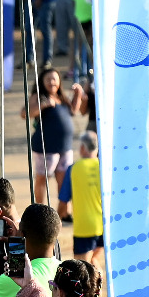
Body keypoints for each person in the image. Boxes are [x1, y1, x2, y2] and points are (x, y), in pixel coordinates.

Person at [25, 67, 77, 213]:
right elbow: (25, 113)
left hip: (65, 147)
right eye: (48, 79)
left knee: (64, 180)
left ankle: (63, 213)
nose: (52, 82)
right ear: (42, 82)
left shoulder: (62, 97)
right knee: (42, 179)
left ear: (59, 81)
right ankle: (39, 212)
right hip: (45, 147)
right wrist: (43, 105)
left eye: (54, 79)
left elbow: (73, 111)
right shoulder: (39, 96)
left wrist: (77, 95)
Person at [60, 132, 103, 266]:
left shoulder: (73, 169)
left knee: (81, 270)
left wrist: (60, 217)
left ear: (83, 148)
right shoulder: (104, 167)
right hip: (104, 226)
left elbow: (63, 201)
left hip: (84, 228)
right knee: (93, 263)